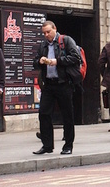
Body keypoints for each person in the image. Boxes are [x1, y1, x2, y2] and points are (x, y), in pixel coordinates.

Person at [33, 20, 80, 155]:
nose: (46, 35)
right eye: (44, 33)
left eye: (48, 32)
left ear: (55, 29)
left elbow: (75, 58)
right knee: (43, 113)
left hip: (63, 83)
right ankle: (47, 145)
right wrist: (40, 61)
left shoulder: (65, 40)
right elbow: (35, 62)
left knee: (67, 115)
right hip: (48, 84)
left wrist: (57, 61)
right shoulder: (43, 45)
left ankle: (68, 145)